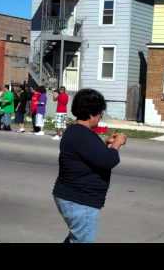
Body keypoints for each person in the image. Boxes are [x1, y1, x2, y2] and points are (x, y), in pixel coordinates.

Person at [52, 89, 127, 243]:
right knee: (82, 240)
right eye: (100, 114)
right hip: (79, 200)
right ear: (92, 113)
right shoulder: (83, 135)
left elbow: (90, 156)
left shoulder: (75, 131)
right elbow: (108, 161)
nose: (100, 117)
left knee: (76, 237)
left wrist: (105, 145)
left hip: (72, 196)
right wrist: (117, 144)